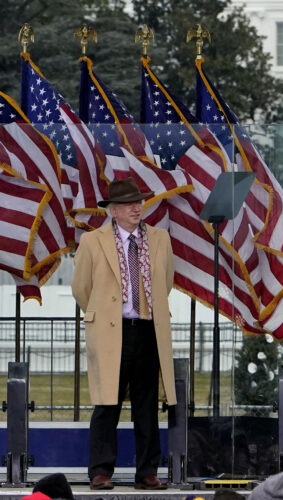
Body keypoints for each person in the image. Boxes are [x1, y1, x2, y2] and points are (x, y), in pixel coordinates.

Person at [72, 177, 177, 490]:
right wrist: (104, 312)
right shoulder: (93, 241)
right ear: (112, 211)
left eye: (139, 202)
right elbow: (82, 288)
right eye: (129, 204)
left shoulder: (160, 239)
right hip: (111, 331)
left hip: (146, 330)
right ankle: (101, 471)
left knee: (146, 406)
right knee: (107, 404)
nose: (137, 208)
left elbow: (166, 282)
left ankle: (147, 472)